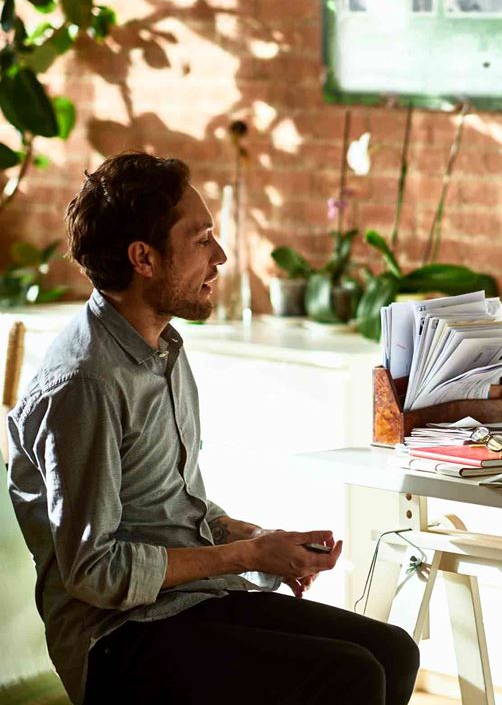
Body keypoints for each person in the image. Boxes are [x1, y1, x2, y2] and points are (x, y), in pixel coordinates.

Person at [5, 152, 421, 705]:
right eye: (201, 240)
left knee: (393, 651)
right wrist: (247, 557)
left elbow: (169, 507)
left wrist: (258, 540)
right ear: (143, 258)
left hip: (191, 603)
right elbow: (94, 572)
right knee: (348, 675)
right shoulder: (86, 383)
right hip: (117, 641)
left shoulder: (164, 348)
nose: (220, 257)